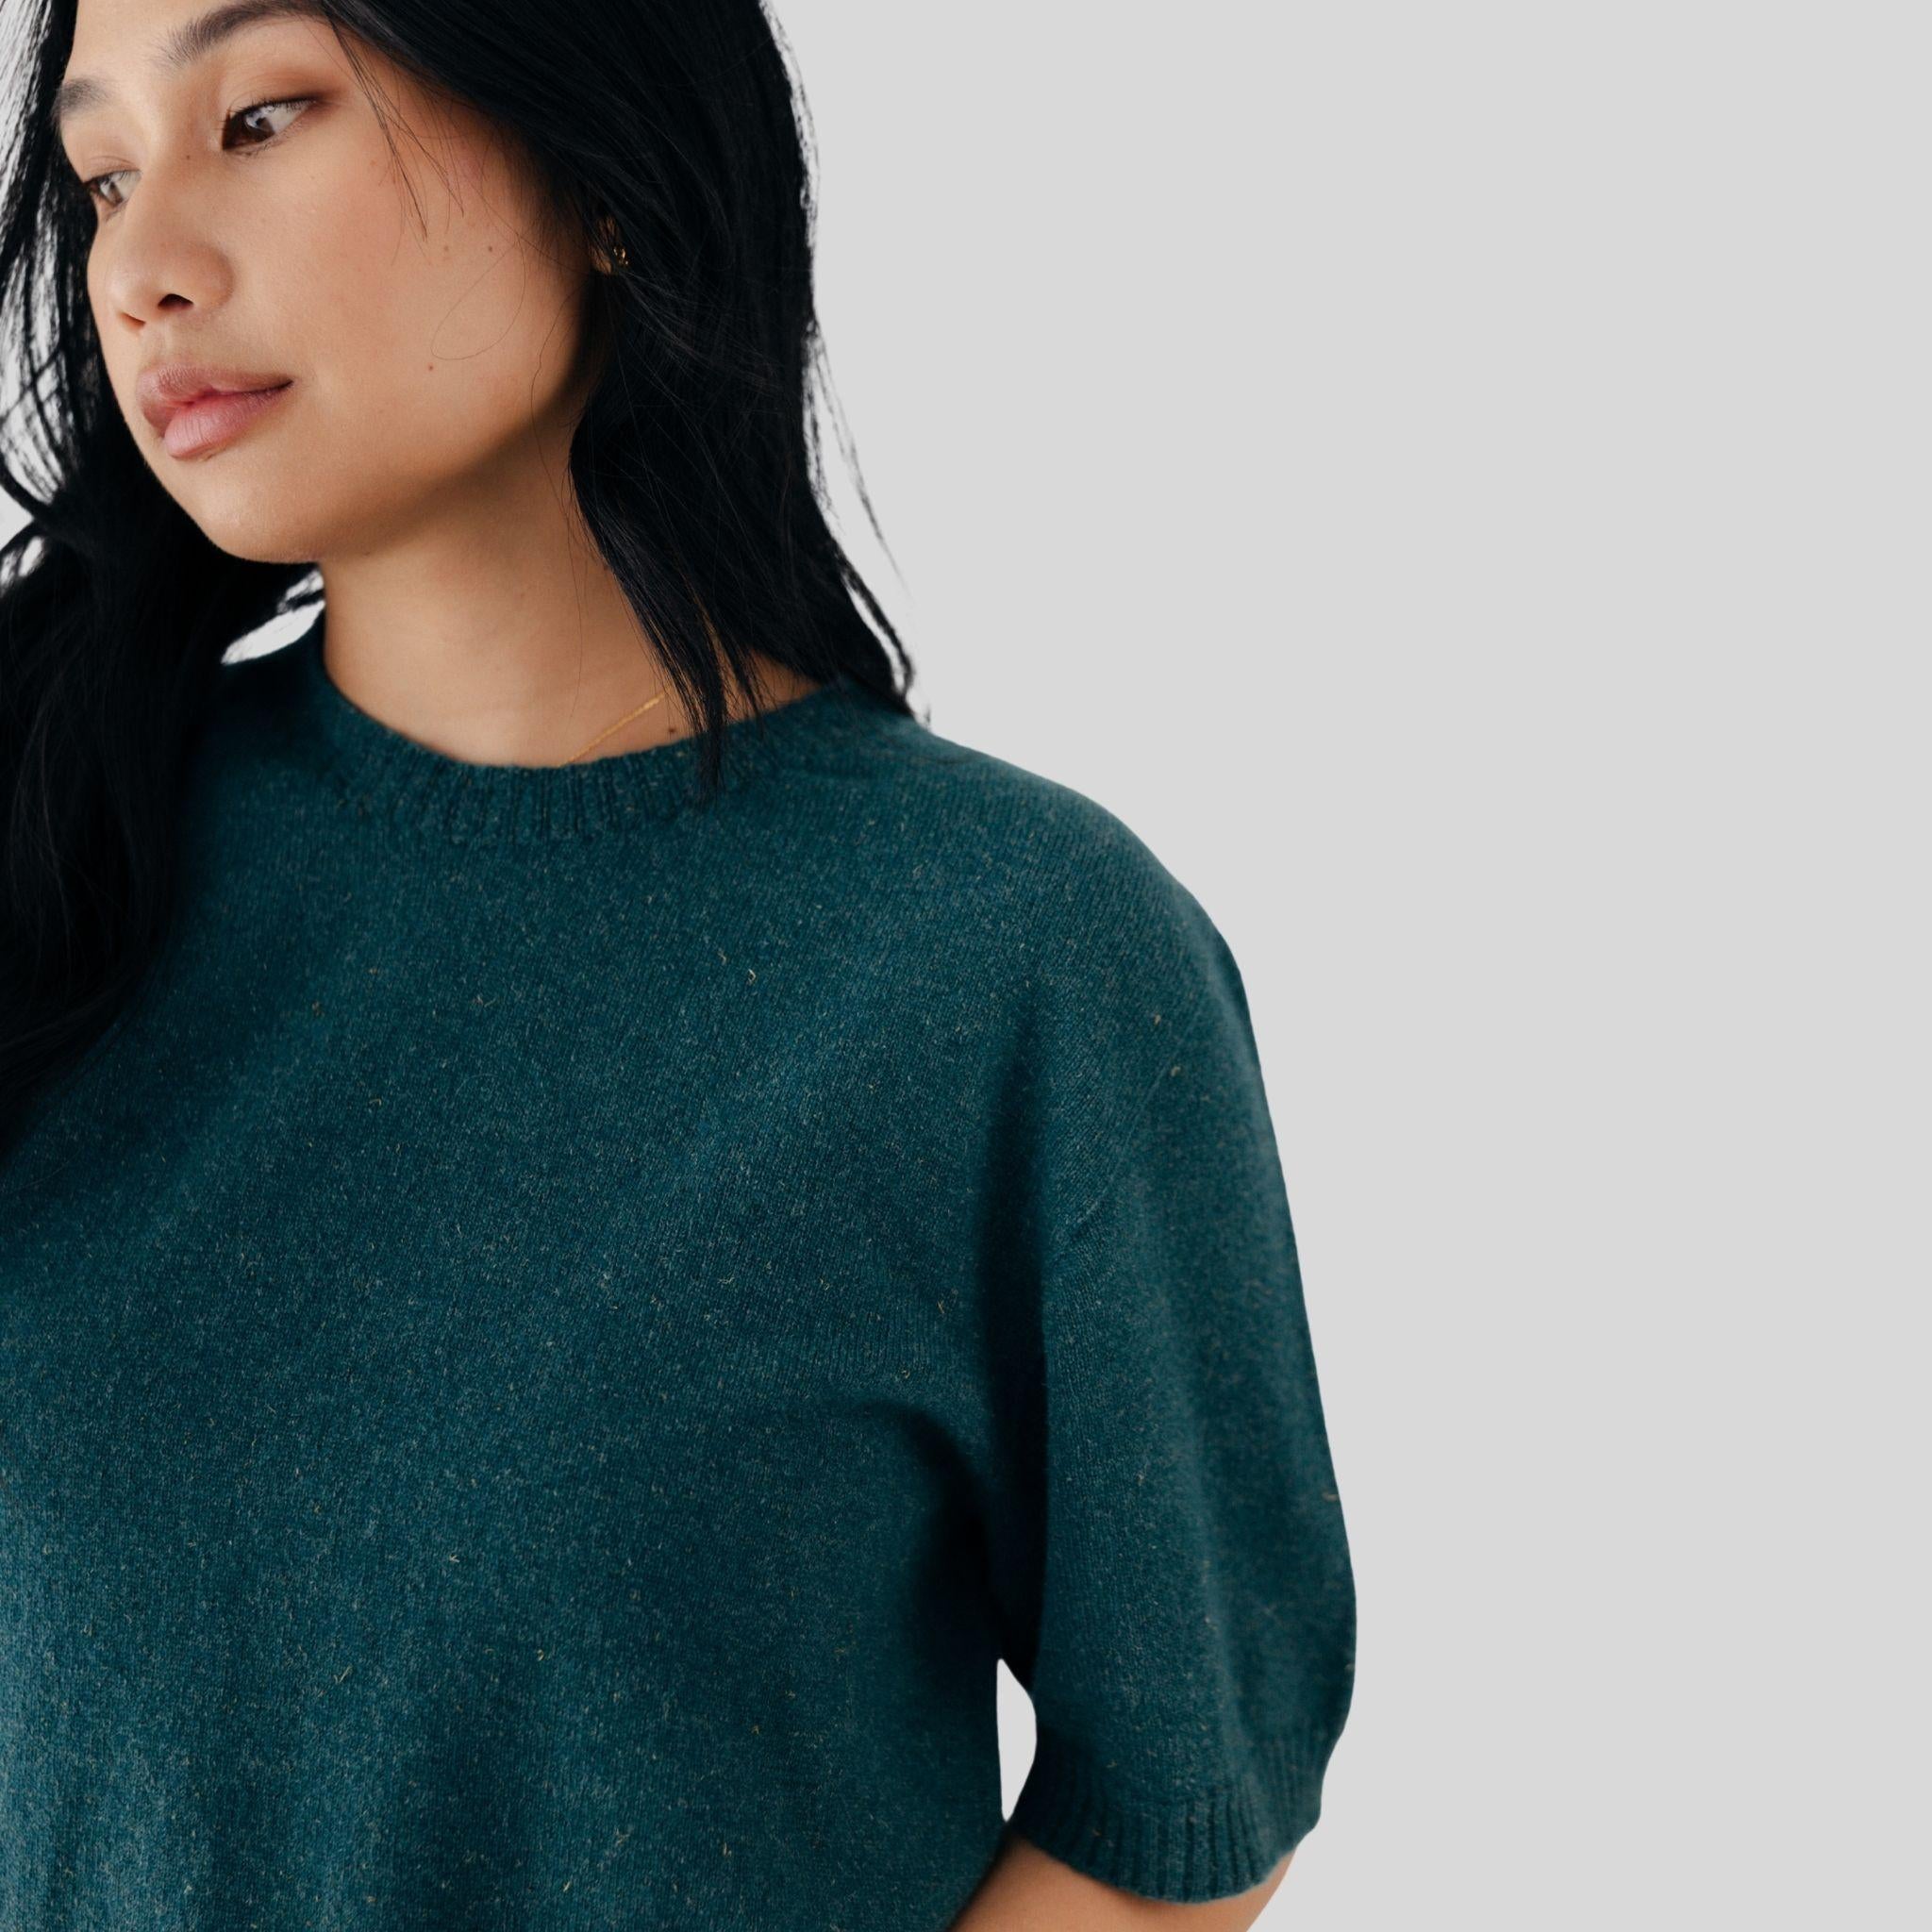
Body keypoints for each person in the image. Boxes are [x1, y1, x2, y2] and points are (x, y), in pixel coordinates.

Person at [0, 2, 1357, 1925]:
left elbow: (1179, 1802)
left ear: (604, 163)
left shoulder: (1011, 958)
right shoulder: (57, 860)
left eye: (265, 117)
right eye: (100, 178)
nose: (140, 264)